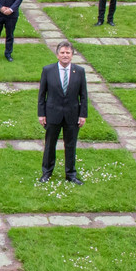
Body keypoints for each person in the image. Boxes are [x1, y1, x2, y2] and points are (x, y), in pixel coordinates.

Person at [37, 42, 88, 185]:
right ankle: (46, 172)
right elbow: (42, 94)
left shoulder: (79, 71)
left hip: (72, 115)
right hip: (52, 114)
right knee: (50, 144)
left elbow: (83, 95)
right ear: (57, 54)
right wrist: (41, 114)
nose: (65, 55)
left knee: (71, 145)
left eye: (68, 53)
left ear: (72, 55)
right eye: (63, 53)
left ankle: (71, 174)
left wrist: (82, 115)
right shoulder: (48, 70)